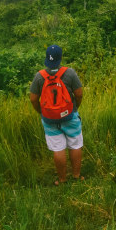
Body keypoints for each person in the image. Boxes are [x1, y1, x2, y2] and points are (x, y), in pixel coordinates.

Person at [29, 44, 85, 185]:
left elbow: (33, 99)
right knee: (75, 144)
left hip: (49, 119)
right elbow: (79, 94)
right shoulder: (70, 73)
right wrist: (75, 108)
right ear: (60, 58)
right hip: (70, 115)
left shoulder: (39, 76)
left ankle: (62, 179)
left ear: (47, 58)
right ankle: (77, 176)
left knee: (58, 148)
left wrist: (41, 112)